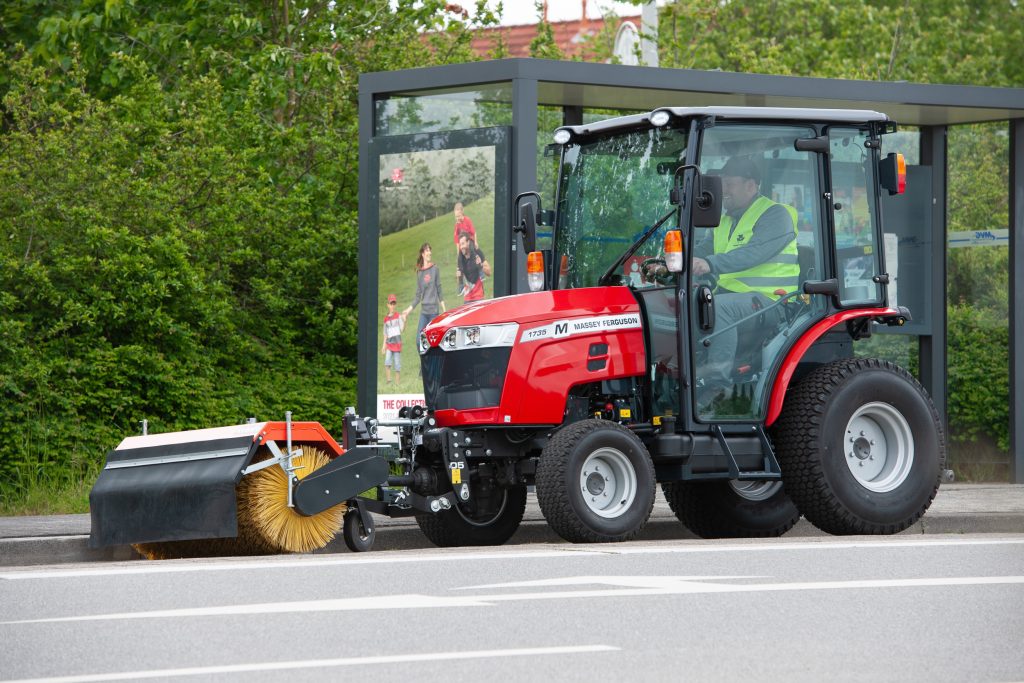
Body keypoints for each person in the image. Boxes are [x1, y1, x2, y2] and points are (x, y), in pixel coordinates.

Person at [692, 156, 799, 411]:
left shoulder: (775, 215)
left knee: (718, 308)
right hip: (736, 298)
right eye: (721, 184)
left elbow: (754, 252)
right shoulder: (724, 220)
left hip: (773, 301)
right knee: (685, 304)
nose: (722, 191)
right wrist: (672, 261)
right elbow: (702, 251)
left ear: (750, 186)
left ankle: (718, 388)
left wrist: (710, 264)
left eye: (729, 184)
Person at [402, 242, 446, 340]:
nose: (429, 252)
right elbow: (418, 296)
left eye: (430, 250)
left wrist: (444, 309)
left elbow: (439, 289)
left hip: (434, 312)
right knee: (419, 341)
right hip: (424, 313)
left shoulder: (435, 269)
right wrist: (408, 311)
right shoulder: (420, 273)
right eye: (427, 250)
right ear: (423, 254)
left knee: (433, 342)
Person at [456, 231, 491, 302]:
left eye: (463, 244)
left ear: (468, 242)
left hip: (479, 297)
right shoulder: (460, 259)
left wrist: (481, 265)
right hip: (467, 299)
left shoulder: (477, 252)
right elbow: (459, 281)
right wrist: (458, 276)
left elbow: (489, 272)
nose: (461, 247)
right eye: (460, 245)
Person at [381, 293, 404, 385]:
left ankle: (397, 384)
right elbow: (385, 334)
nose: (392, 306)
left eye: (394, 304)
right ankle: (389, 381)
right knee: (387, 362)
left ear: (396, 305)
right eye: (391, 304)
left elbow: (402, 329)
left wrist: (404, 321)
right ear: (388, 305)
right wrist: (383, 346)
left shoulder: (398, 316)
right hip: (389, 344)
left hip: (397, 344)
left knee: (397, 365)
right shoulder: (385, 319)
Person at [453, 202, 476, 290]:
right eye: (456, 217)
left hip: (470, 244)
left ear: (462, 212)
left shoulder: (467, 220)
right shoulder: (457, 226)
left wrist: (475, 243)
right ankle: (461, 285)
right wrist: (458, 253)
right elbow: (457, 242)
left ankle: (475, 278)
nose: (457, 218)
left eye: (458, 216)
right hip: (462, 248)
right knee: (459, 264)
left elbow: (473, 233)